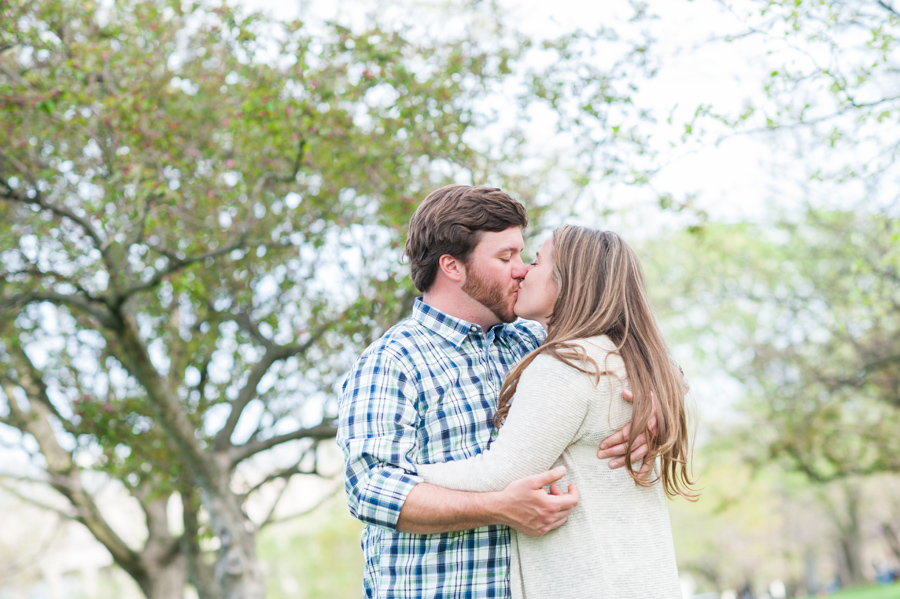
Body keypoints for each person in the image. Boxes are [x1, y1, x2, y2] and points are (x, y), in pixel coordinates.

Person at [337, 186, 656, 599]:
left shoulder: (534, 342)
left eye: (522, 255)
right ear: (452, 266)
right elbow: (371, 488)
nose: (521, 269)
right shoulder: (393, 361)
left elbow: (636, 354)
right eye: (506, 258)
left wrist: (657, 407)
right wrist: (499, 506)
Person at [417, 225, 694, 598]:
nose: (523, 271)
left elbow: (502, 473)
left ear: (568, 283)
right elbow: (668, 369)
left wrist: (405, 474)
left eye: (534, 261)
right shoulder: (631, 361)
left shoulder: (567, 364)